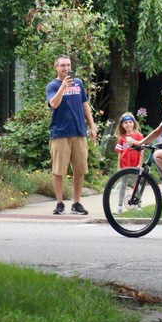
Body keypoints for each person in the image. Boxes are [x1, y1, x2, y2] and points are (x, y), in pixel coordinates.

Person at [46, 54, 97, 215]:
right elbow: (53, 104)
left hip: (79, 132)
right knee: (58, 170)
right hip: (60, 133)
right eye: (62, 65)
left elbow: (84, 105)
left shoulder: (78, 83)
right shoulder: (52, 86)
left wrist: (92, 125)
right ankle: (60, 203)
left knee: (80, 169)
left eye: (68, 65)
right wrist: (62, 88)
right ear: (56, 67)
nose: (66, 68)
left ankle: (76, 203)